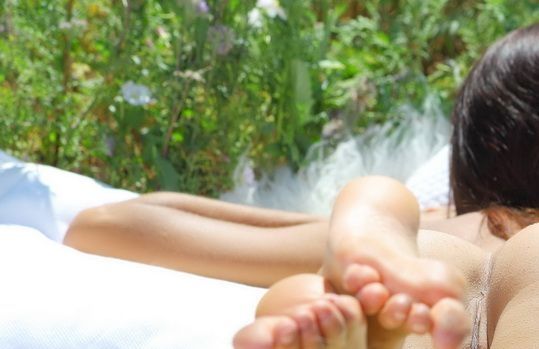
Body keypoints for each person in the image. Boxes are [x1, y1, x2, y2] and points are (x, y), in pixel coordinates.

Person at [64, 23, 539, 348]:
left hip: (418, 267)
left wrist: (361, 222)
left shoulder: (443, 237)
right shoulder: (439, 243)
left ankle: (369, 225)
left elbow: (104, 225)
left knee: (388, 214)